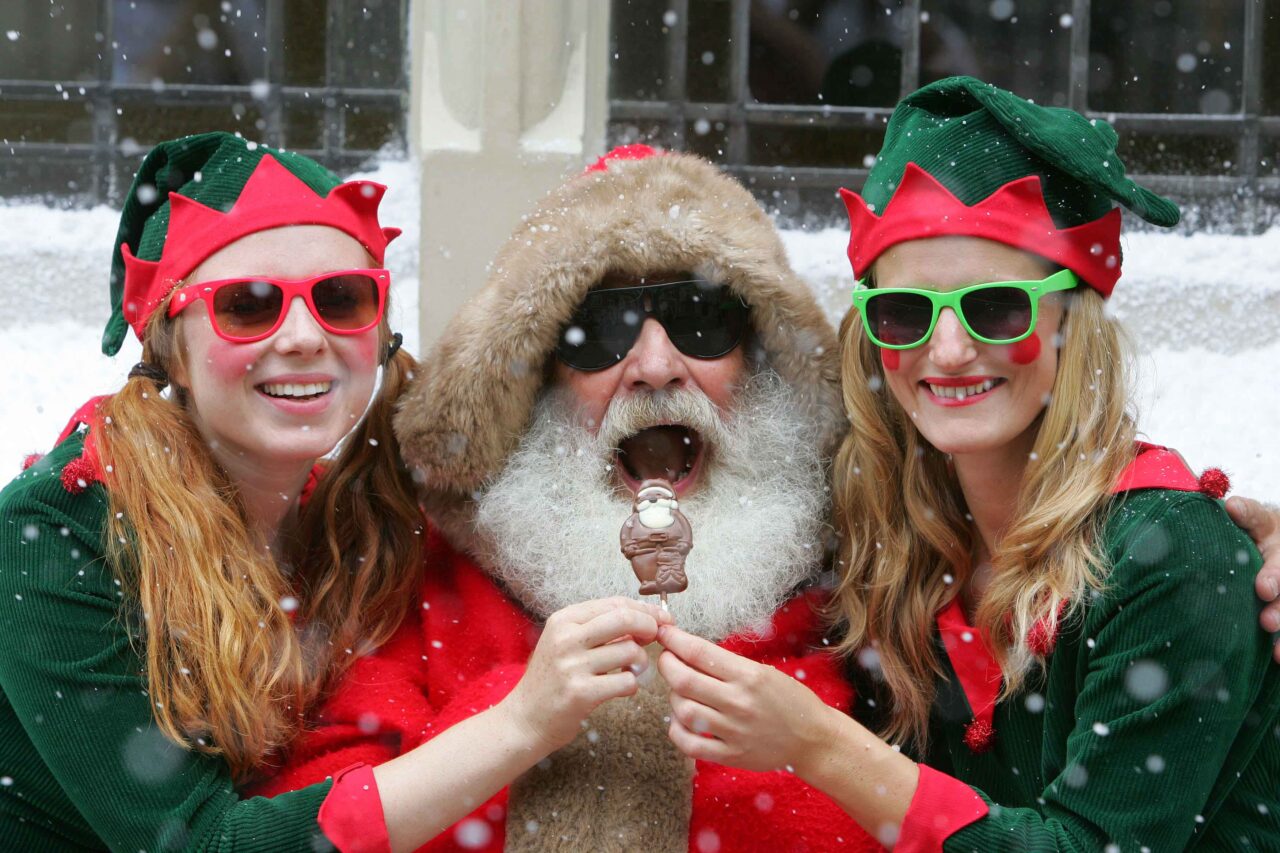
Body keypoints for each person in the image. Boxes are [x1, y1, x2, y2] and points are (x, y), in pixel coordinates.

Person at [653, 77, 1280, 850]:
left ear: (1068, 321)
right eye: (906, 313)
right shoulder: (893, 535)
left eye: (996, 306)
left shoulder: (1172, 554)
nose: (947, 350)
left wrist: (819, 746)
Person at [0, 132, 673, 852]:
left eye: (341, 299)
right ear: (174, 349)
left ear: (379, 331)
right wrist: (522, 723)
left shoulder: (348, 516)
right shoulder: (57, 529)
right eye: (249, 305)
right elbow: (205, 844)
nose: (301, 336)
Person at [254, 145, 886, 852]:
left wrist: (812, 746)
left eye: (701, 318)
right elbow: (311, 822)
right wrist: (516, 716)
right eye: (604, 333)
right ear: (538, 381)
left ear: (763, 357)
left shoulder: (858, 588)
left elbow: (942, 816)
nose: (655, 366)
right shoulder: (426, 582)